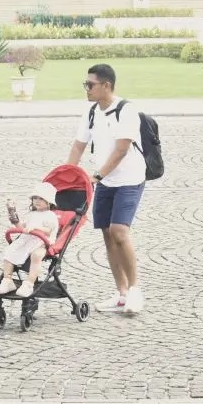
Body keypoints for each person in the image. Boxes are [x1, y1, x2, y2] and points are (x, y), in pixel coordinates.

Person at [66, 63, 146, 314]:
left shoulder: (126, 111)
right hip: (105, 182)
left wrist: (98, 175)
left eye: (90, 85)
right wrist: (66, 177)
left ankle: (134, 290)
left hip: (129, 179)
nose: (86, 89)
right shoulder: (91, 112)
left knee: (119, 231)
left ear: (106, 86)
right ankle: (121, 293)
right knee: (108, 235)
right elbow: (78, 146)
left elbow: (121, 150)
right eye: (86, 84)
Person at [0, 181, 60, 298]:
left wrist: (36, 227)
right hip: (28, 240)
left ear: (48, 201)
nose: (37, 201)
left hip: (42, 243)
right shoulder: (31, 214)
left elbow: (49, 230)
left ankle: (29, 283)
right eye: (35, 198)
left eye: (41, 198)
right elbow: (22, 228)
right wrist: (15, 219)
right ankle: (7, 280)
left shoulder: (50, 215)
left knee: (37, 255)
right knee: (10, 250)